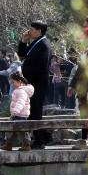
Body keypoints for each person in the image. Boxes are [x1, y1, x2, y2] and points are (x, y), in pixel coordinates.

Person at [17, 20, 53, 149]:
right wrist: (23, 41)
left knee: (36, 112)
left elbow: (41, 67)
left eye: (32, 29)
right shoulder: (35, 43)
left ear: (39, 31)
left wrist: (27, 79)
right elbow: (22, 54)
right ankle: (41, 137)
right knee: (33, 111)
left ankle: (40, 140)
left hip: (37, 84)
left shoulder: (44, 44)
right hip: (31, 84)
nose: (29, 31)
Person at [2, 71, 34, 151]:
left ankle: (25, 145)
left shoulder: (21, 91)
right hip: (20, 114)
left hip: (19, 115)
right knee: (13, 130)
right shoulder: (20, 90)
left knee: (20, 131)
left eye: (13, 82)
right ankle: (9, 144)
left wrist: (15, 111)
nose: (12, 84)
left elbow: (21, 102)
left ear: (19, 82)